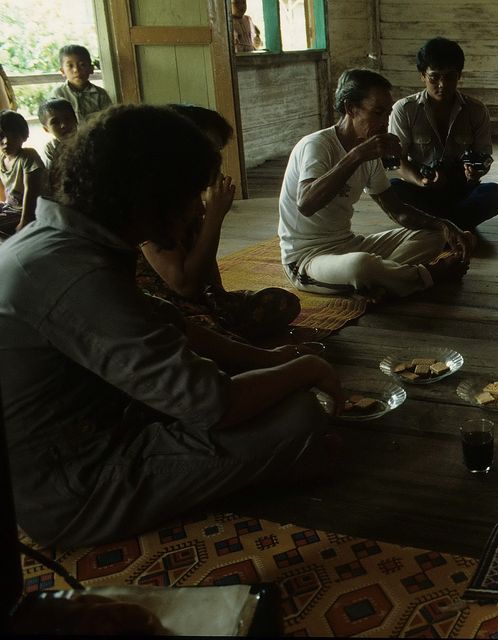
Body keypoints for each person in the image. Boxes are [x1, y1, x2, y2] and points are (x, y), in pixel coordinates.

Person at [0, 104, 345, 548]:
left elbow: (166, 321)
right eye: (187, 197)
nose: (192, 211)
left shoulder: (60, 243)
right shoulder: (73, 274)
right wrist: (304, 370)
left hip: (92, 434)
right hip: (74, 490)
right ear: (150, 195)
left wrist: (269, 359)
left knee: (270, 388)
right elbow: (212, 403)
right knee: (297, 417)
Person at [280, 68, 472, 299]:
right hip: (307, 259)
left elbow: (397, 212)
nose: (384, 123)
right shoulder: (318, 145)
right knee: (361, 265)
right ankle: (422, 276)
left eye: (388, 114)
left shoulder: (369, 150)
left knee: (435, 235)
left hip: (349, 245)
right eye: (378, 113)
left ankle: (384, 280)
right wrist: (356, 155)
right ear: (351, 108)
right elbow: (306, 203)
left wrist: (445, 226)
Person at [135, 105, 301, 341]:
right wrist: (214, 216)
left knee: (283, 303)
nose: (215, 161)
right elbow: (183, 286)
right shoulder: (149, 200)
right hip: (160, 307)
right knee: (201, 331)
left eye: (217, 151)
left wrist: (220, 302)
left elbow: (208, 277)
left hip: (197, 300)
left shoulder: (190, 195)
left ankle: (225, 339)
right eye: (206, 151)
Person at [389, 38, 498, 231]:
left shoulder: (476, 110)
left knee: (494, 193)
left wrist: (477, 171)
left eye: (450, 77)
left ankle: (438, 226)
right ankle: (455, 226)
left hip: (461, 191)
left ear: (459, 75)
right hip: (422, 190)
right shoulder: (404, 109)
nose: (442, 84)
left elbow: (484, 156)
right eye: (434, 77)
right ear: (422, 76)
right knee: (393, 188)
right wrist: (422, 180)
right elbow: (397, 159)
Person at [0, 110, 48, 238]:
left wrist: (25, 220)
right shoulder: (1, 159)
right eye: (1, 136)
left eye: (13, 136)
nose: (6, 142)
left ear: (24, 137)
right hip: (10, 207)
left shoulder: (28, 156)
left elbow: (31, 190)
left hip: (26, 210)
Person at [48, 45, 113, 123]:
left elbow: (110, 119)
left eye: (82, 65)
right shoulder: (58, 94)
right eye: (70, 66)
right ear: (62, 71)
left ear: (91, 69)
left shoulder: (101, 94)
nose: (76, 70)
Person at [37, 98, 78, 167]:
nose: (63, 125)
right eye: (55, 122)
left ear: (76, 120)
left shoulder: (89, 141)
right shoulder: (50, 149)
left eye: (67, 119)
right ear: (46, 129)